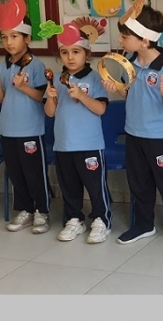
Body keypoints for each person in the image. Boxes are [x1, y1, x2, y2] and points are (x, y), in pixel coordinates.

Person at [103, 0, 163, 247]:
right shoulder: (129, 63)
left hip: (158, 137)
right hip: (134, 133)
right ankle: (144, 225)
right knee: (139, 184)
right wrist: (117, 88)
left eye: (125, 36)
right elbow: (129, 94)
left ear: (143, 40)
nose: (120, 40)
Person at [42, 21, 112, 244]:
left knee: (95, 186)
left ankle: (101, 220)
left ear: (86, 54)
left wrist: (82, 96)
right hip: (64, 144)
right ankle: (74, 219)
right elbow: (50, 113)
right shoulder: (56, 80)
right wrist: (51, 97)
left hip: (89, 144)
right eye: (64, 52)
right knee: (69, 187)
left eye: (76, 52)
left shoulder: (95, 78)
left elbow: (101, 109)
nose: (70, 57)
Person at [0, 0, 52, 234]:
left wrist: (23, 87)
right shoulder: (2, 66)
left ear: (27, 38)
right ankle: (24, 209)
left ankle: (42, 211)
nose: (8, 42)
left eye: (14, 36)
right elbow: (1, 99)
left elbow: (42, 97)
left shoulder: (36, 65)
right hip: (8, 129)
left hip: (30, 130)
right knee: (15, 172)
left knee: (34, 173)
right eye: (4, 37)